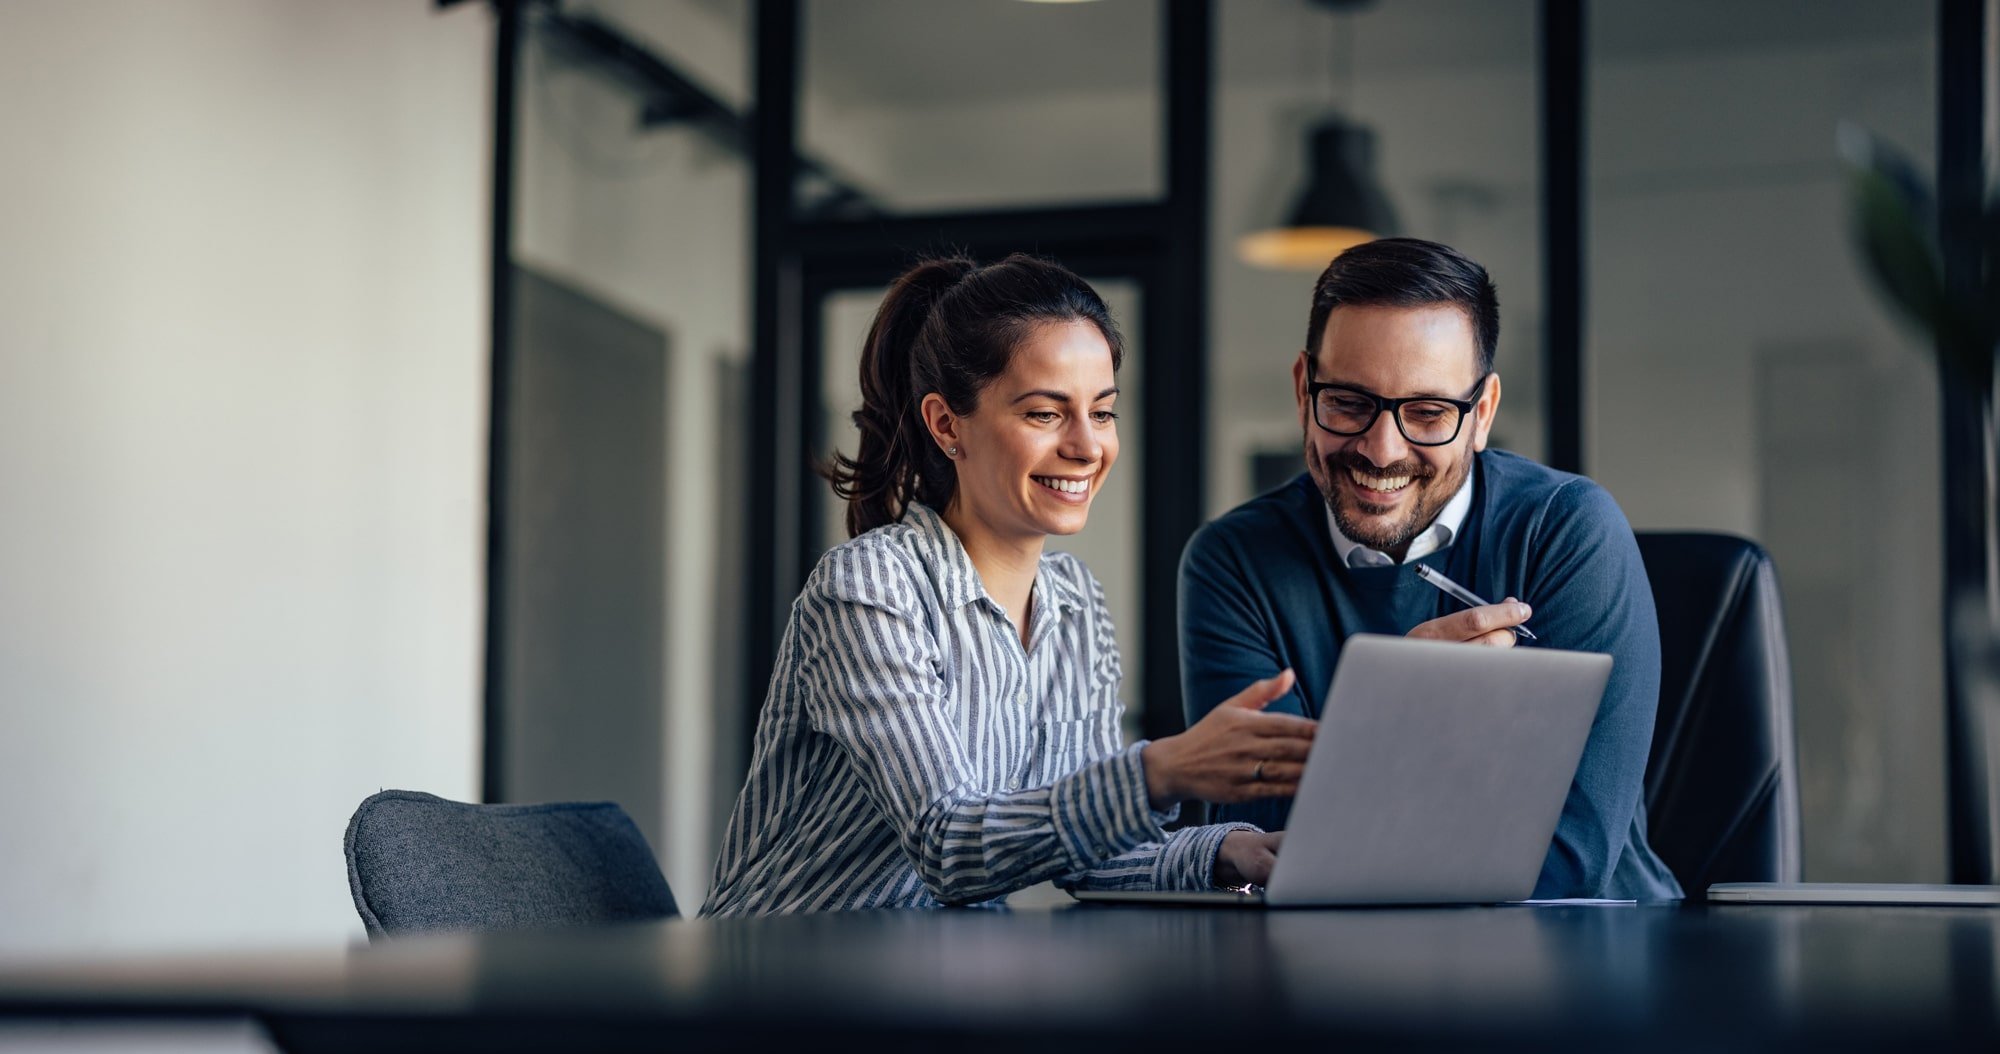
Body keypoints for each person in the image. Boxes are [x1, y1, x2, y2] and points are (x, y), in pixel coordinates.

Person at [701, 253, 1316, 917]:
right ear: (946, 425)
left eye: (1102, 412)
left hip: (935, 982)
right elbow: (949, 845)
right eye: (1046, 414)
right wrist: (1161, 771)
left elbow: (1087, 848)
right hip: (779, 984)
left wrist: (1233, 851)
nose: (1087, 446)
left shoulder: (1075, 601)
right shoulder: (868, 587)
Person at [1179, 238, 1683, 901]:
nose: (1382, 450)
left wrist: (1363, 778)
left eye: (1427, 413)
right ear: (1305, 390)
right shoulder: (1232, 563)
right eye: (1350, 403)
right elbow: (1273, 849)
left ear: (1482, 414)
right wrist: (1400, 713)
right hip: (1331, 971)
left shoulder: (1569, 531)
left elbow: (1573, 852)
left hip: (1586, 955)